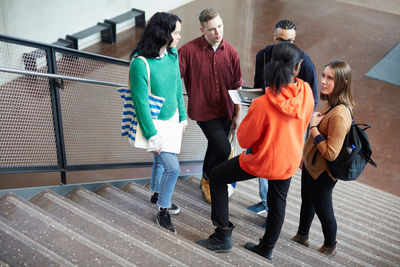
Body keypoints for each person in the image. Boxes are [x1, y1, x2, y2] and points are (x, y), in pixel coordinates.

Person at [195, 42, 314, 260]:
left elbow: (243, 138)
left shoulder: (264, 103)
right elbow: (303, 121)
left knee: (217, 176)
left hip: (262, 159)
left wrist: (255, 112)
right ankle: (266, 248)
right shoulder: (306, 92)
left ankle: (222, 235)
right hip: (289, 159)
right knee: (278, 202)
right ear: (297, 68)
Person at [247, 19, 318, 220]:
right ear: (273, 37)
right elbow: (258, 86)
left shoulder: (304, 62)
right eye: (281, 40)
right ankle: (265, 201)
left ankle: (272, 209)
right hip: (269, 118)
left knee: (280, 168)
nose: (287, 46)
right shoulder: (263, 56)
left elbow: (311, 100)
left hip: (290, 123)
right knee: (263, 160)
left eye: (291, 41)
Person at [129, 12, 187, 233]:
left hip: (172, 120)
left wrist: (182, 115)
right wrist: (152, 135)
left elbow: (176, 89)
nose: (179, 37)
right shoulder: (140, 64)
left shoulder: (172, 54)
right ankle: (163, 209)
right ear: (163, 33)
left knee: (160, 162)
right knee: (173, 169)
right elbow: (140, 104)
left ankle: (156, 193)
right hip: (154, 125)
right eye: (176, 33)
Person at [179, 8, 243, 204]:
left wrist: (237, 113)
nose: (218, 32)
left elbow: (236, 85)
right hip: (204, 112)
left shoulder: (231, 51)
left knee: (214, 145)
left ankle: (206, 175)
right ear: (202, 30)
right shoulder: (188, 51)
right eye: (212, 29)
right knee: (223, 150)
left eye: (220, 26)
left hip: (226, 110)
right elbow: (173, 79)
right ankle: (209, 179)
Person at [291, 60, 354, 257]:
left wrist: (313, 128)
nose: (324, 81)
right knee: (306, 200)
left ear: (342, 83)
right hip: (312, 166)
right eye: (323, 76)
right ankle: (303, 235)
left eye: (330, 78)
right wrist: (305, 156)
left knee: (323, 210)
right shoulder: (332, 104)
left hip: (323, 173)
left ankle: (330, 245)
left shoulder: (340, 115)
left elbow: (331, 152)